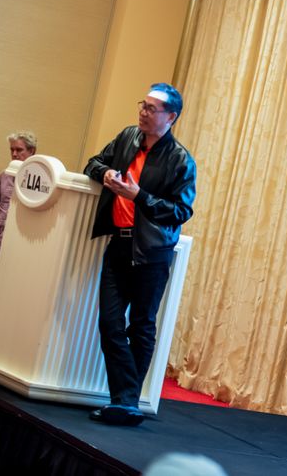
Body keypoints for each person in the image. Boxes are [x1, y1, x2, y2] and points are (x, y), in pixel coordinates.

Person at [85, 83, 196, 426]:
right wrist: (105, 173)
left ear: (171, 117)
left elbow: (181, 211)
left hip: (152, 252)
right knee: (109, 323)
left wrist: (138, 196)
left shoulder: (180, 160)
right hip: (119, 245)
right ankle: (127, 400)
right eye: (143, 105)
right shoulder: (127, 137)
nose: (143, 113)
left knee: (142, 326)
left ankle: (125, 401)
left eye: (152, 109)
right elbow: (93, 162)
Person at [0, 131, 37, 290]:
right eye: (11, 149)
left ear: (32, 151)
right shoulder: (4, 176)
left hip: (18, 245)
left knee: (7, 288)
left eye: (19, 150)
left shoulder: (38, 180)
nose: (14, 154)